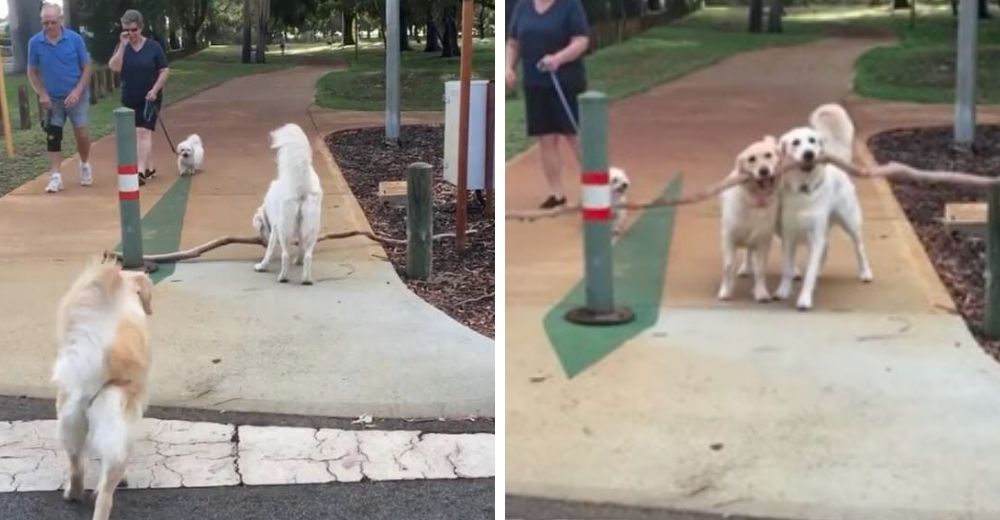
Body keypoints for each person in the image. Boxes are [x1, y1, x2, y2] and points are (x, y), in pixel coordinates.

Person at [506, 0, 590, 209]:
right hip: (535, 83)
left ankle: (597, 187)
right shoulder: (523, 7)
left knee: (575, 134)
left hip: (566, 82)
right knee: (546, 137)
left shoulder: (570, 6)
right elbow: (514, 42)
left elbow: (581, 41)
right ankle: (556, 193)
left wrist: (558, 58)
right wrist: (508, 67)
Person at [27, 3, 93, 194]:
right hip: (52, 98)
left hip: (76, 94)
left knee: (81, 133)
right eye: (45, 23)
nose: (49, 26)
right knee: (53, 135)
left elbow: (87, 67)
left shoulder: (75, 39)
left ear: (61, 20)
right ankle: (56, 176)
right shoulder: (35, 42)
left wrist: (78, 91)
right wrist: (42, 93)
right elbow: (32, 71)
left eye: (52, 22)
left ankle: (85, 163)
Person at [108, 9, 170, 186]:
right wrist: (122, 46)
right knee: (137, 134)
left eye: (134, 30)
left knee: (143, 132)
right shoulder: (123, 46)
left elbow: (164, 70)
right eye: (127, 30)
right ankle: (150, 167)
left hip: (150, 97)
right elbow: (114, 67)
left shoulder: (153, 47)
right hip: (129, 96)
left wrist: (155, 90)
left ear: (141, 28)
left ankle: (140, 171)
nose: (131, 34)